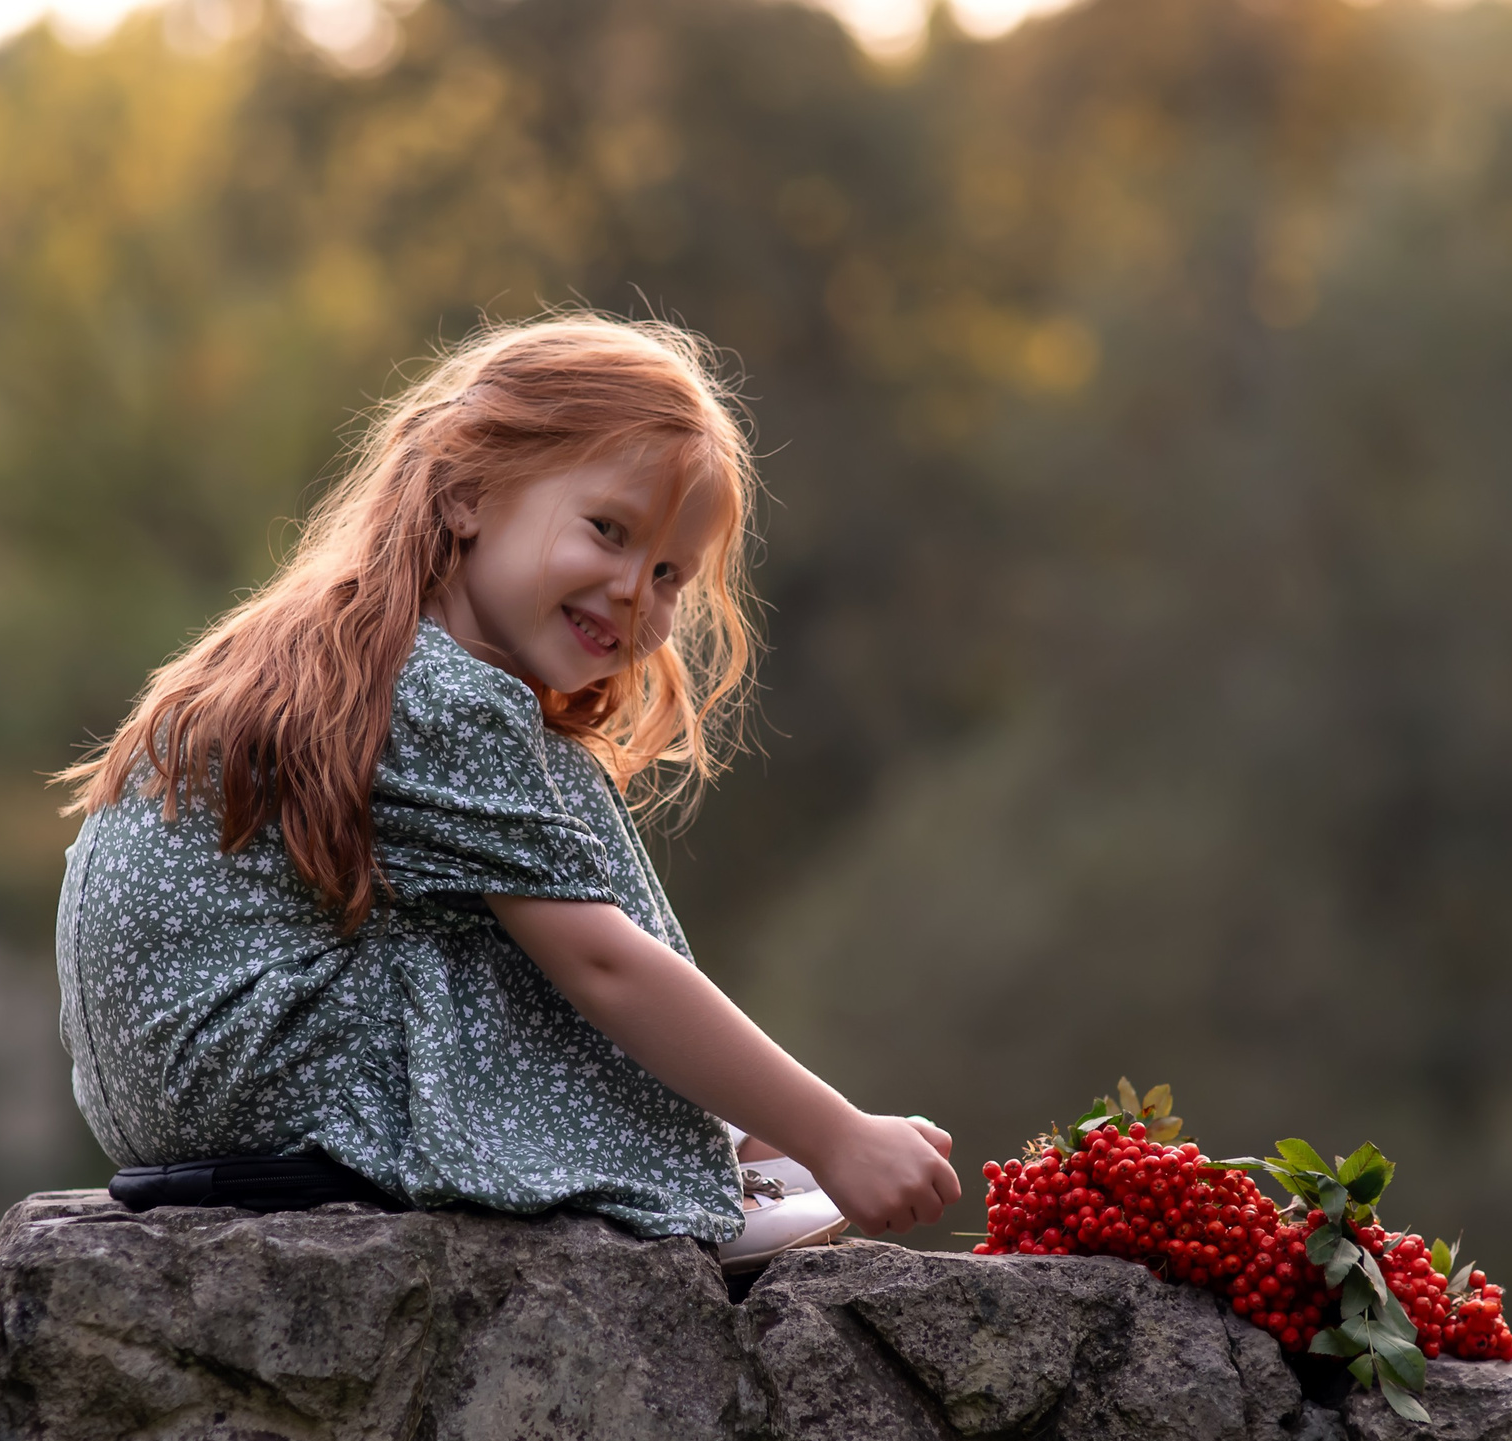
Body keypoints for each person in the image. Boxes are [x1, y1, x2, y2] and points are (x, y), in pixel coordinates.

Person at [54, 313, 959, 1270]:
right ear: (467, 493)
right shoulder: (442, 690)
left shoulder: (354, 646)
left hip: (192, 1090)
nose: (630, 591)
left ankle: (717, 1140)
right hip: (268, 1069)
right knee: (557, 883)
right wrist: (836, 1134)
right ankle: (708, 1168)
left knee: (539, 828)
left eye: (666, 574)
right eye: (607, 531)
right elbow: (604, 967)